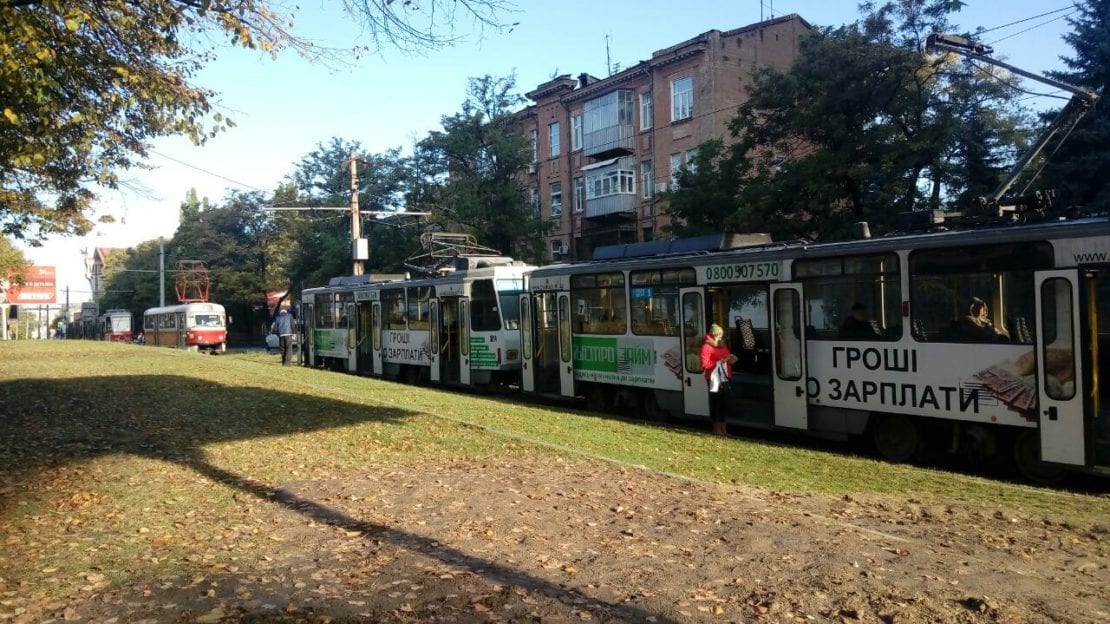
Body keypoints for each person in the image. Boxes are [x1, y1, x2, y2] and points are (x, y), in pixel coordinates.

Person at [700, 323, 737, 437]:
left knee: (724, 404)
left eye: (721, 334)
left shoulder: (722, 345)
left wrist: (731, 359)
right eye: (719, 335)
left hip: (725, 377)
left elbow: (726, 358)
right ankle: (717, 429)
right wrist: (720, 361)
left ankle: (723, 429)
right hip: (714, 378)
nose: (721, 336)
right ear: (714, 335)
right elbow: (704, 364)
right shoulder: (706, 347)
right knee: (716, 403)